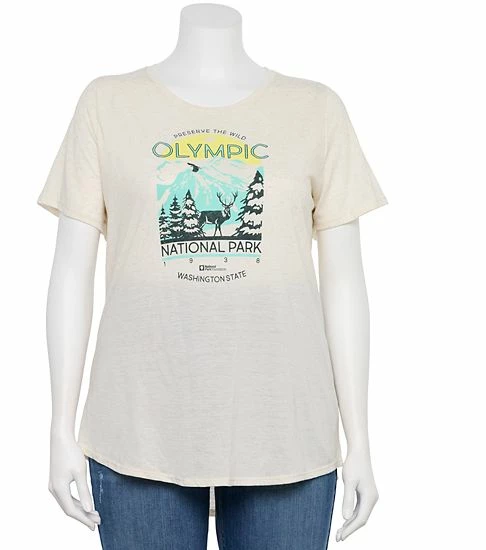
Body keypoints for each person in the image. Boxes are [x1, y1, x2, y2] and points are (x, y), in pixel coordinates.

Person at [38, 4, 387, 549]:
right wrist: (59, 427)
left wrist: (360, 437)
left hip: (286, 432)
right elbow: (69, 272)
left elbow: (345, 283)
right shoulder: (106, 104)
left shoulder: (316, 110)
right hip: (137, 430)